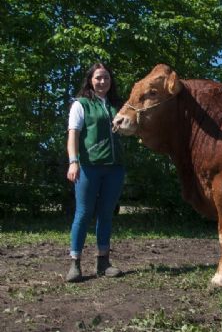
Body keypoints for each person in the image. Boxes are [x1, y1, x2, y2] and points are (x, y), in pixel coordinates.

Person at [65, 63, 125, 282]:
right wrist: (73, 162)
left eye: (106, 78)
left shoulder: (116, 106)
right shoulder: (81, 105)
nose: (103, 82)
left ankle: (103, 262)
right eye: (98, 78)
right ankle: (75, 264)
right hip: (88, 167)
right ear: (90, 80)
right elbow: (73, 135)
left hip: (115, 168)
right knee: (83, 213)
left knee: (106, 214)